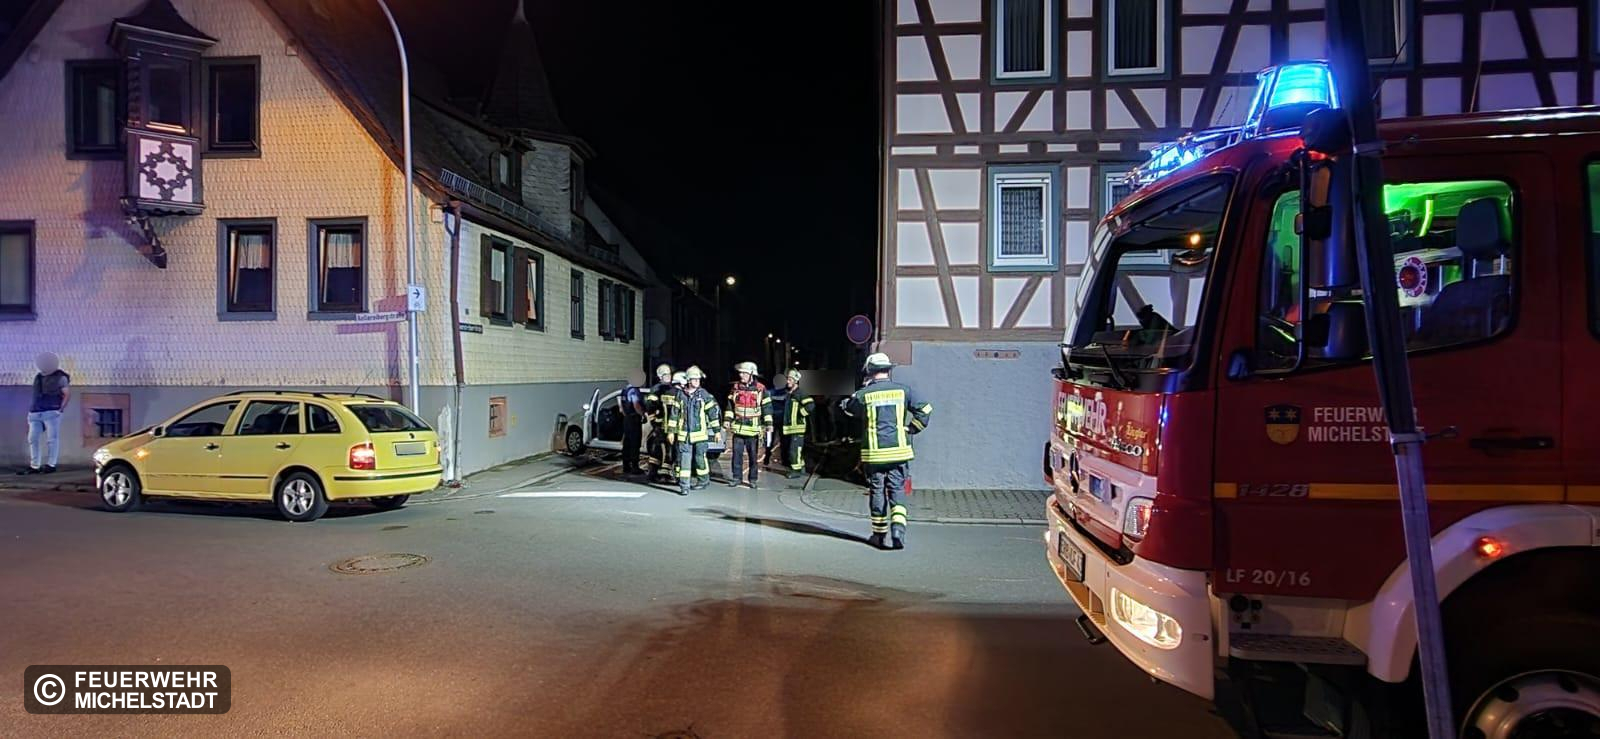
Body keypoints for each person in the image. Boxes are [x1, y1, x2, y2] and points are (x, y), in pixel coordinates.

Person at [841, 353, 931, 550]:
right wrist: (912, 428)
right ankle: (898, 530)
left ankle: (879, 535)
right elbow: (925, 410)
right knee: (897, 489)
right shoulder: (903, 391)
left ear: (869, 371)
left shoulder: (865, 394)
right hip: (899, 451)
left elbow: (849, 409)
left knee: (877, 490)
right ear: (889, 370)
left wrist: (856, 394)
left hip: (875, 454)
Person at [723, 361, 772, 489]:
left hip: (753, 430)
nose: (741, 375)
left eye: (744, 373)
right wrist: (727, 419)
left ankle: (753, 479)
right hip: (738, 429)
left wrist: (769, 424)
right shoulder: (735, 388)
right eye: (740, 373)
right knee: (736, 456)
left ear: (751, 374)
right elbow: (730, 406)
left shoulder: (760, 389)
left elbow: (767, 407)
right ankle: (736, 478)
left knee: (753, 457)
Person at [673, 366, 720, 495]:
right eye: (694, 379)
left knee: (700, 458)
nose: (697, 381)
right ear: (688, 380)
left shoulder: (704, 395)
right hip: (684, 435)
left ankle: (703, 481)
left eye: (698, 379)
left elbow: (712, 414)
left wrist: (717, 431)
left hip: (700, 435)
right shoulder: (680, 395)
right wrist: (671, 432)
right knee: (684, 460)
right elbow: (674, 414)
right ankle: (684, 486)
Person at [22, 352, 70, 475]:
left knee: (52, 439)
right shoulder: (38, 377)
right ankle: (35, 466)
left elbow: (66, 394)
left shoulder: (60, 377)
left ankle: (51, 465)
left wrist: (60, 409)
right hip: (35, 412)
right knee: (33, 438)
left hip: (51, 411)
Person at [779, 369, 814, 480]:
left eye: (790, 379)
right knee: (795, 449)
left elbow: (811, 406)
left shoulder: (800, 393)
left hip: (797, 427)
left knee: (794, 450)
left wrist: (800, 414)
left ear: (796, 381)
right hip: (791, 427)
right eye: (787, 379)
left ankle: (796, 471)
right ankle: (801, 467)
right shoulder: (790, 393)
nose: (787, 381)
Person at [644, 364, 677, 481]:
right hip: (661, 426)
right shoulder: (656, 390)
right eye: (666, 375)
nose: (668, 377)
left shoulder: (672, 389)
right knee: (663, 450)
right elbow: (650, 407)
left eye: (669, 374)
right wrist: (654, 422)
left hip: (669, 426)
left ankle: (658, 473)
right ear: (660, 377)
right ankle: (658, 473)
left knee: (664, 449)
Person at [619, 382, 647, 476]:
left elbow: (621, 407)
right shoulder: (634, 391)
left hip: (627, 419)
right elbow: (636, 405)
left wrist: (626, 416)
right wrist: (643, 415)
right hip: (634, 419)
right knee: (635, 443)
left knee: (627, 444)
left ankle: (626, 466)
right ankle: (635, 467)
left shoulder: (624, 390)